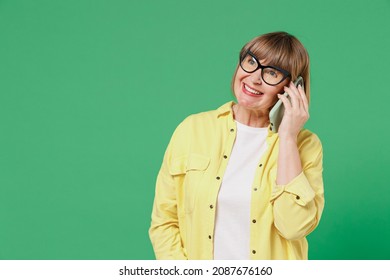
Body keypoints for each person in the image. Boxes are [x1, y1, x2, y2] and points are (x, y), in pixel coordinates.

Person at [149, 31, 324, 260]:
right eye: (251, 61)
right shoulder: (191, 130)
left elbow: (293, 227)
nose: (254, 78)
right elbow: (164, 222)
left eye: (271, 72)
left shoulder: (305, 146)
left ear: (292, 87)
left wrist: (288, 138)